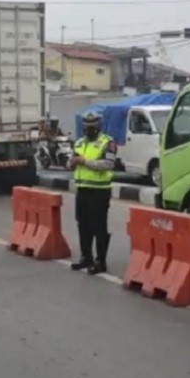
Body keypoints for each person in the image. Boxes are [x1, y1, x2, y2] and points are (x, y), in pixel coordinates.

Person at [68, 112, 116, 275]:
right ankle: (86, 256)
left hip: (99, 191)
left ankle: (100, 261)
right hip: (82, 190)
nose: (90, 129)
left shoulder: (107, 142)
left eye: (93, 126)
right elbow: (71, 162)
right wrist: (72, 163)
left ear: (99, 126)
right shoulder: (79, 142)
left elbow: (108, 164)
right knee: (83, 225)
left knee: (99, 226)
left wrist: (85, 162)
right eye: (87, 126)